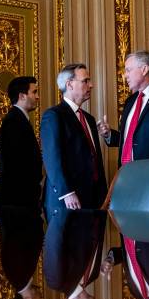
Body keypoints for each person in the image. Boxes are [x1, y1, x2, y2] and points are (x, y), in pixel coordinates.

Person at [40, 64, 107, 219]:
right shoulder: (54, 115)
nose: (91, 85)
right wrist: (67, 193)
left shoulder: (89, 119)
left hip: (93, 198)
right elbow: (52, 158)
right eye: (85, 81)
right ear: (69, 84)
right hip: (67, 201)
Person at [44, 210, 106, 299]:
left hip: (74, 204)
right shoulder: (94, 275)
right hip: (98, 205)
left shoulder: (57, 281)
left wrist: (65, 200)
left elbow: (55, 234)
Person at [0, 76, 43, 207]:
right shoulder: (14, 121)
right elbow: (16, 163)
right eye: (34, 92)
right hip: (16, 199)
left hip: (20, 197)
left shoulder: (18, 119)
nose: (37, 97)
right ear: (22, 96)